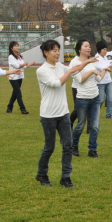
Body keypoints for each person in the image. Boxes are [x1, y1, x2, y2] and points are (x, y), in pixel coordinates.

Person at [35, 39, 93, 188]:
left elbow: (76, 69)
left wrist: (88, 62)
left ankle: (65, 177)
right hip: (48, 115)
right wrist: (69, 71)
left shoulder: (61, 66)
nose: (57, 53)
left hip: (63, 113)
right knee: (49, 147)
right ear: (45, 52)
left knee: (68, 145)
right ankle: (42, 174)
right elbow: (57, 83)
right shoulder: (41, 70)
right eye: (54, 50)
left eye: (58, 50)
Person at [70, 39, 110, 158]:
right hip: (82, 98)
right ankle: (74, 146)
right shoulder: (74, 63)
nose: (89, 48)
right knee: (81, 125)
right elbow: (80, 80)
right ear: (79, 49)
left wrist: (104, 70)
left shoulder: (91, 62)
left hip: (95, 97)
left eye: (89, 46)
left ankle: (92, 149)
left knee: (95, 126)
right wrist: (91, 70)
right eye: (86, 46)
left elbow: (98, 79)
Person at [94, 41, 112, 119]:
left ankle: (108, 115)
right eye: (103, 49)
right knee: (101, 100)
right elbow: (103, 68)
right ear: (99, 50)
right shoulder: (96, 59)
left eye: (106, 50)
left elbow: (107, 63)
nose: (105, 51)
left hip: (108, 81)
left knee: (110, 100)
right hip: (100, 82)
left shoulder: (104, 57)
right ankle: (95, 113)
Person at [6, 41, 35, 114]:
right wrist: (24, 63)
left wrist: (30, 64)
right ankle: (23, 109)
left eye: (18, 46)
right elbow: (17, 66)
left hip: (20, 77)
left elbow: (24, 67)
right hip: (13, 77)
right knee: (18, 93)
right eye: (15, 46)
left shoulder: (19, 56)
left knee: (15, 93)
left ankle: (9, 108)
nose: (17, 47)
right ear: (11, 48)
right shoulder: (11, 57)